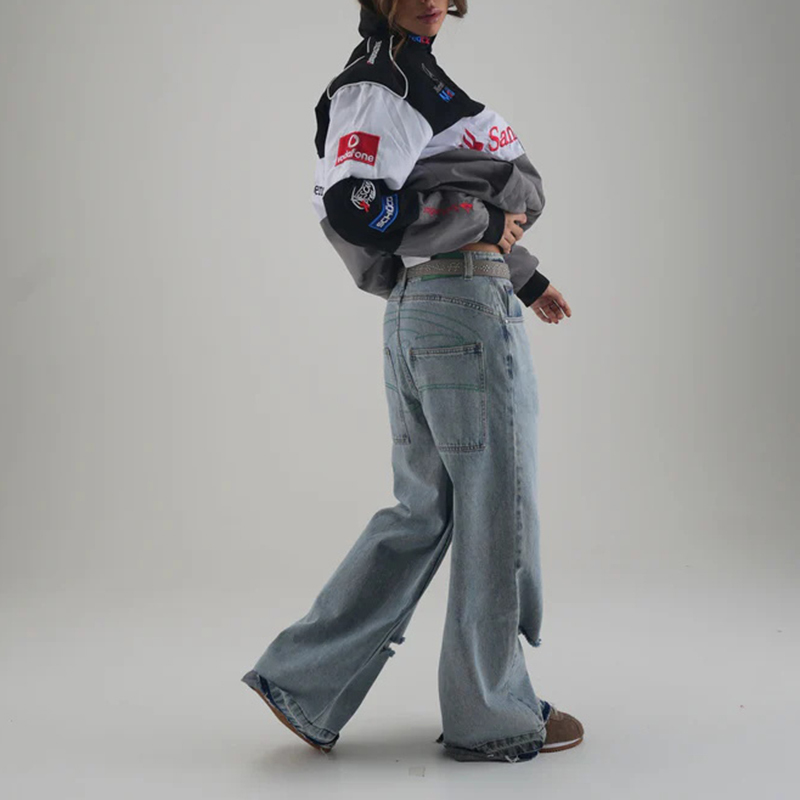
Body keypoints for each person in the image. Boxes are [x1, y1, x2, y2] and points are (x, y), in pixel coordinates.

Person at [241, 0, 581, 764]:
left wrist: (523, 275)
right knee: (494, 509)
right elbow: (355, 204)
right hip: (461, 308)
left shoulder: (406, 77)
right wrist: (479, 227)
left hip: (436, 304)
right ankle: (493, 717)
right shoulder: (383, 82)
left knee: (424, 511)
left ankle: (301, 682)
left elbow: (424, 190)